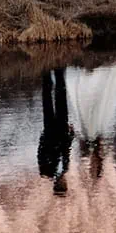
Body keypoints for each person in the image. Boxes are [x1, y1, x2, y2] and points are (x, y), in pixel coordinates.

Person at [37, 67, 74, 195]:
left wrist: (43, 138)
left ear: (57, 185)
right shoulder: (64, 168)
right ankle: (59, 69)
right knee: (60, 96)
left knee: (47, 98)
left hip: (50, 132)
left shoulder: (46, 171)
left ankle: (46, 70)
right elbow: (66, 149)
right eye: (65, 184)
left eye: (62, 185)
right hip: (61, 130)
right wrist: (71, 134)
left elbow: (40, 154)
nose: (64, 182)